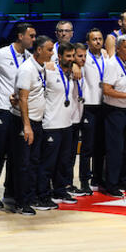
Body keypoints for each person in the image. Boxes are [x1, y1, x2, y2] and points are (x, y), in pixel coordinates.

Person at [0, 22, 36, 210]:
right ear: (20, 36)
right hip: (2, 109)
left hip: (18, 111)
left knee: (16, 154)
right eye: (31, 36)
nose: (33, 39)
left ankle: (10, 191)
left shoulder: (29, 57)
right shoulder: (1, 54)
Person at [11, 35, 54, 216]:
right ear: (39, 50)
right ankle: (20, 202)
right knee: (23, 163)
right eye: (49, 50)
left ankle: (30, 197)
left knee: (34, 162)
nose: (52, 53)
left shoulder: (41, 67)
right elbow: (22, 99)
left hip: (37, 121)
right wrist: (26, 126)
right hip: (24, 122)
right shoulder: (27, 69)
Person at [37, 42, 77, 211]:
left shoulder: (71, 73)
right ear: (59, 57)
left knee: (63, 162)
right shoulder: (49, 71)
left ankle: (59, 191)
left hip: (67, 123)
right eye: (68, 56)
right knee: (48, 163)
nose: (71, 59)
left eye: (73, 56)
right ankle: (42, 196)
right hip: (51, 124)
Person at [102, 35, 126, 197]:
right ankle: (111, 184)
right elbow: (106, 90)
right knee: (115, 149)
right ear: (117, 49)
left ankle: (123, 180)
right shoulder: (112, 64)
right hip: (114, 111)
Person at [81, 29, 109, 193]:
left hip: (103, 105)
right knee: (87, 147)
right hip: (89, 106)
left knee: (101, 145)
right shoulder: (84, 57)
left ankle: (98, 178)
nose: (98, 41)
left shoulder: (106, 56)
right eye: (94, 39)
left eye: (100, 38)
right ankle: (84, 181)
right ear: (88, 42)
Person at [66, 43, 87, 196]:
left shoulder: (82, 69)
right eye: (80, 56)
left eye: (85, 56)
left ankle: (68, 183)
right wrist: (73, 65)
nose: (83, 59)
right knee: (65, 155)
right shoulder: (68, 70)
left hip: (77, 117)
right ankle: (62, 184)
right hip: (66, 119)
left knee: (72, 154)